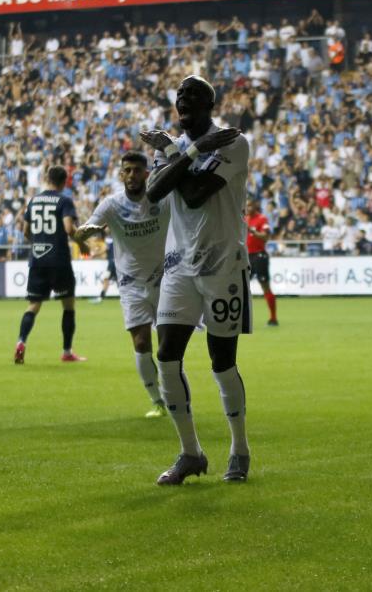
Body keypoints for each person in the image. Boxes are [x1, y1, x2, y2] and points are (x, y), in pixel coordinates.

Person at [142, 75, 251, 485]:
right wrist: (185, 149)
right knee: (167, 355)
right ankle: (191, 452)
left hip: (223, 265)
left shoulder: (233, 142)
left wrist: (179, 150)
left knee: (222, 363)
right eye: (178, 96)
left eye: (192, 95)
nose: (182, 101)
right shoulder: (178, 149)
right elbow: (154, 192)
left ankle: (239, 448)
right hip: (180, 266)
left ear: (210, 104)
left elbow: (193, 193)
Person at [74, 152, 171, 419]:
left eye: (137, 170)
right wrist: (82, 235)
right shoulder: (111, 205)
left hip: (165, 280)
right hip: (130, 284)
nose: (131, 175)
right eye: (127, 170)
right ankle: (157, 400)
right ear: (121, 174)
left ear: (146, 174)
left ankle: (174, 395)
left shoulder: (162, 199)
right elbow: (88, 227)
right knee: (141, 342)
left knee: (167, 347)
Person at [14, 166, 88, 364]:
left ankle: (21, 342)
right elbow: (68, 228)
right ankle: (66, 351)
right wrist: (81, 242)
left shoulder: (34, 200)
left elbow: (26, 232)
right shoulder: (64, 200)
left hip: (37, 259)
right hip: (59, 260)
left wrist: (40, 242)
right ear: (65, 182)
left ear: (47, 179)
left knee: (33, 306)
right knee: (68, 305)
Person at [245, 199, 278, 326]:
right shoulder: (244, 218)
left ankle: (273, 318)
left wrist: (252, 231)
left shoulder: (262, 219)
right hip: (245, 257)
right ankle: (243, 319)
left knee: (265, 286)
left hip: (259, 256)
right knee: (241, 289)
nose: (248, 207)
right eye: (246, 205)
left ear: (255, 205)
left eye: (250, 205)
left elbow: (266, 237)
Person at [90, 235, 116, 304]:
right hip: (115, 263)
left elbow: (104, 249)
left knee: (106, 279)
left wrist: (95, 254)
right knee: (106, 279)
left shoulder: (108, 241)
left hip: (112, 263)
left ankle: (101, 297)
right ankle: (101, 297)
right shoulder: (114, 240)